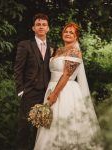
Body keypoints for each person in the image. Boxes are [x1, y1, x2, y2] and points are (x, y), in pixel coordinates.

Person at [33, 22, 103, 150]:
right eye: (66, 31)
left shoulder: (75, 52)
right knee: (50, 122)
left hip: (66, 91)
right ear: (62, 33)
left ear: (76, 37)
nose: (68, 34)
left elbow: (66, 75)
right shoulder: (58, 50)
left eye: (72, 32)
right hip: (51, 87)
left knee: (64, 121)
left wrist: (54, 94)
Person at [14, 13, 55, 150]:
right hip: (30, 92)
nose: (41, 27)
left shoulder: (53, 46)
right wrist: (21, 91)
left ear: (48, 28)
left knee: (41, 130)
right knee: (24, 128)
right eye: (38, 24)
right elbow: (18, 69)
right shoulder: (25, 45)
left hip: (46, 93)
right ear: (33, 28)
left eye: (44, 25)